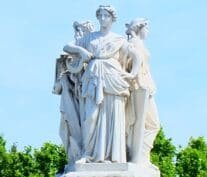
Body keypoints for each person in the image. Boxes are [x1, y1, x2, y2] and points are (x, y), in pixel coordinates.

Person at [62, 5, 133, 163]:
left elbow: (134, 56)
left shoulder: (119, 40)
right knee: (90, 118)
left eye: (106, 16)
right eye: (100, 15)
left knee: (112, 117)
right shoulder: (89, 38)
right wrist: (81, 51)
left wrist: (132, 73)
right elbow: (67, 46)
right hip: (93, 78)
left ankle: (113, 157)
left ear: (112, 18)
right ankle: (88, 155)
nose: (102, 19)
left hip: (113, 78)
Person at [54, 20, 94, 163]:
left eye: (80, 30)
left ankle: (88, 151)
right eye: (76, 30)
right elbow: (67, 46)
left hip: (90, 93)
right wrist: (80, 51)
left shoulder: (92, 43)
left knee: (90, 119)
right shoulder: (79, 46)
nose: (77, 33)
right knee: (72, 124)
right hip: (76, 94)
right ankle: (80, 152)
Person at [124, 18, 159, 165]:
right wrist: (134, 77)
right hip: (139, 86)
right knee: (140, 122)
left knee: (152, 124)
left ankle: (142, 155)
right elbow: (126, 63)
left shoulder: (137, 43)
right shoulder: (133, 43)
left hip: (146, 87)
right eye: (147, 28)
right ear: (140, 28)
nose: (148, 32)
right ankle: (137, 157)